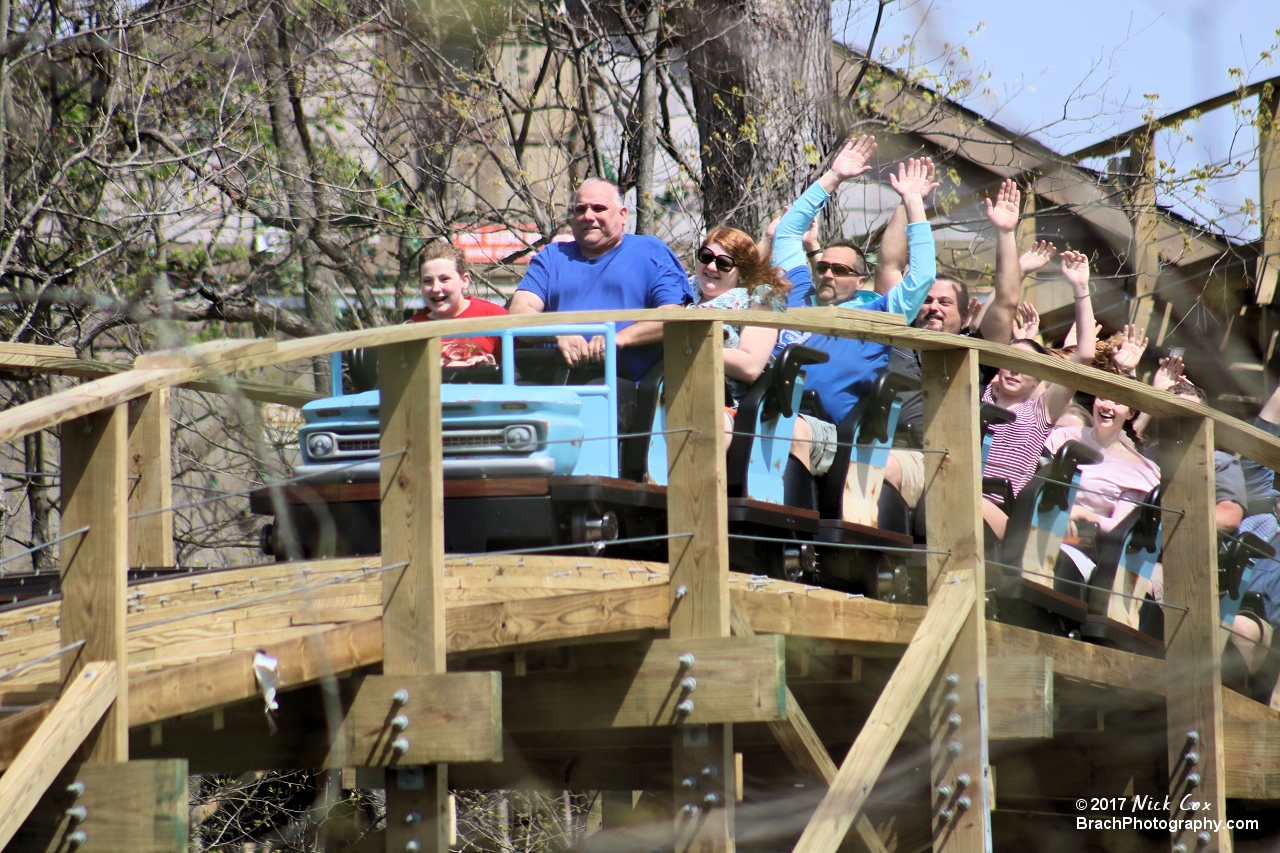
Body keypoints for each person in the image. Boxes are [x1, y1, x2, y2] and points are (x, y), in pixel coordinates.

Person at [769, 136, 939, 486]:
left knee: (790, 431)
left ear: (861, 281)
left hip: (832, 437)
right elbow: (786, 233)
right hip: (765, 416)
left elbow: (922, 276)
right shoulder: (797, 292)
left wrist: (911, 203)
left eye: (841, 270)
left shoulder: (878, 315)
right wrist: (833, 176)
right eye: (824, 266)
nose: (828, 272)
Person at [509, 177, 694, 380]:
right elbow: (519, 313)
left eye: (598, 208)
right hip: (555, 377)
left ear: (623, 215)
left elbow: (673, 316)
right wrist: (559, 333)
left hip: (626, 383)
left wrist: (618, 338)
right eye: (581, 209)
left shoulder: (651, 252)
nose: (588, 216)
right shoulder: (552, 256)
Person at [980, 251, 1098, 539]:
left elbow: (1084, 355)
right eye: (1010, 361)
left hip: (1002, 509)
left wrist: (1081, 288)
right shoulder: (982, 390)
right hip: (959, 486)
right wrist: (1016, 271)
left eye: (1025, 367)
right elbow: (983, 327)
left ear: (1037, 380)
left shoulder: (1039, 411)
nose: (1014, 370)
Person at [407, 241, 507, 365]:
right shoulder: (413, 328)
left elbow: (521, 374)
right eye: (428, 281)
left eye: (444, 279)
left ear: (464, 281)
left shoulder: (494, 316)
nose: (436, 288)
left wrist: (490, 368)